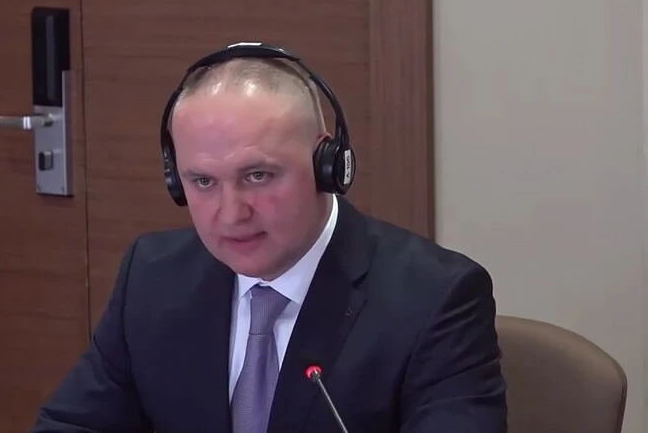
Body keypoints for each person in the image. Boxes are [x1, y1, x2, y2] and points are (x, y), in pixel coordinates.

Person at [31, 43, 507, 433]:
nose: (231, 213)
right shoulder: (153, 277)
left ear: (327, 166)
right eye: (203, 182)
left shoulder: (435, 299)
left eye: (257, 175)